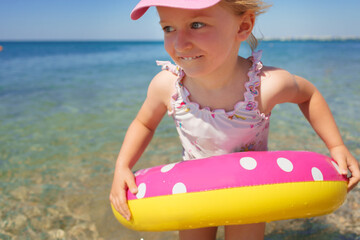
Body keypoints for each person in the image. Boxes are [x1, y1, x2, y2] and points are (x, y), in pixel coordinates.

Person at [110, 0, 360, 239]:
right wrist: (123, 166)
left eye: (197, 25)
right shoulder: (167, 86)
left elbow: (309, 95)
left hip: (250, 188)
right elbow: (144, 123)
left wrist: (336, 146)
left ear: (243, 26)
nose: (180, 43)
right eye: (168, 28)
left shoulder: (264, 86)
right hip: (193, 188)